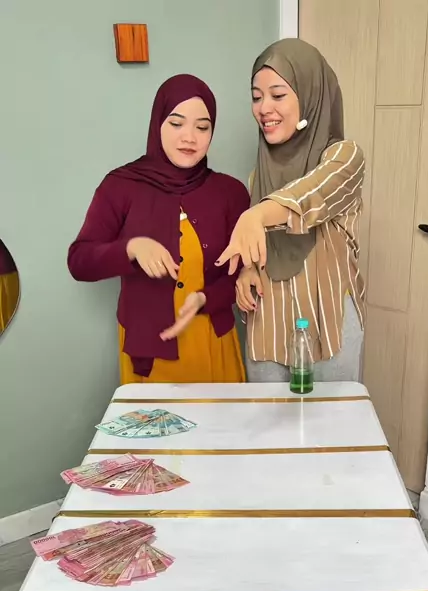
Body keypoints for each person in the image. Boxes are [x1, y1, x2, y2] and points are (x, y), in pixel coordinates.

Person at [68, 74, 249, 383]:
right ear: (158, 123)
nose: (189, 137)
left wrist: (206, 299)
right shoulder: (121, 186)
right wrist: (131, 247)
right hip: (148, 351)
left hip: (212, 342)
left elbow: (242, 274)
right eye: (176, 124)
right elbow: (79, 262)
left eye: (202, 127)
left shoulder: (231, 193)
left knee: (221, 417)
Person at [216, 38, 365, 382]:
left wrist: (256, 215)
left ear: (310, 95)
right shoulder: (259, 176)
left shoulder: (344, 157)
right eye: (256, 97)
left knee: (333, 416)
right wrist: (247, 270)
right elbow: (259, 246)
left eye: (278, 95)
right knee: (267, 416)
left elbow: (309, 196)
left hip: (328, 325)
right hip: (268, 323)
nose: (263, 108)